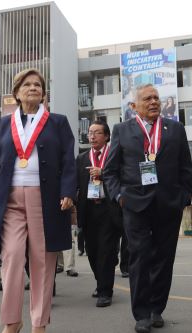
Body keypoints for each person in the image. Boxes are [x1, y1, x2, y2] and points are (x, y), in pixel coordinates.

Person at [0, 68, 76, 333]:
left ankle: (39, 323)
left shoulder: (57, 122)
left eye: (38, 85)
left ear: (44, 93)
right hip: (10, 200)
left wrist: (68, 191)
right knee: (11, 257)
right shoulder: (4, 124)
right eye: (27, 84)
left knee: (42, 263)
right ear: (17, 92)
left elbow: (68, 160)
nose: (33, 88)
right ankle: (12, 321)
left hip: (45, 200)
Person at [103, 84, 192, 333]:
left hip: (169, 204)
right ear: (134, 106)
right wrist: (119, 195)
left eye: (156, 98)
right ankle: (141, 313)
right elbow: (110, 171)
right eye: (147, 98)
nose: (154, 102)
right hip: (134, 204)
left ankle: (156, 309)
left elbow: (185, 165)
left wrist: (185, 196)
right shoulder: (122, 130)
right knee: (140, 258)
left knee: (164, 259)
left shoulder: (175, 129)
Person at [76, 120, 123, 307]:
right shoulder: (82, 158)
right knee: (92, 251)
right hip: (88, 210)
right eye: (90, 133)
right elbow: (75, 183)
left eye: (97, 133)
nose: (92, 136)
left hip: (108, 209)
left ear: (106, 136)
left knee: (105, 250)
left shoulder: (114, 154)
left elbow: (122, 176)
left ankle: (106, 291)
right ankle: (100, 281)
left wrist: (102, 173)